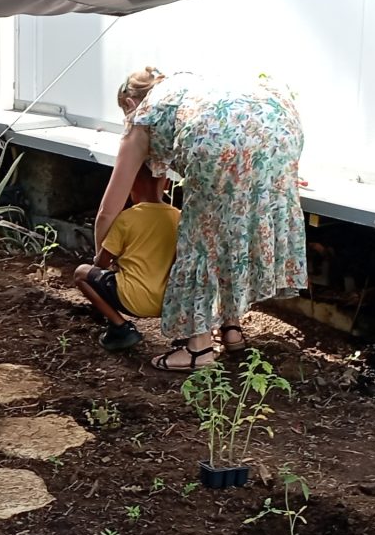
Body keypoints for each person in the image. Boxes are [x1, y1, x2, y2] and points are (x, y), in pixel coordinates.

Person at [95, 66, 308, 372]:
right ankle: (231, 330)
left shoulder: (141, 117)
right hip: (279, 125)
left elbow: (108, 209)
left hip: (218, 138)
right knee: (231, 231)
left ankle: (198, 350)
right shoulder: (188, 87)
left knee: (201, 241)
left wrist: (101, 256)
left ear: (129, 104)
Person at [73, 167, 180, 353]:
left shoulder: (127, 218)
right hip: (170, 302)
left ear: (130, 184)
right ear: (167, 183)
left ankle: (121, 328)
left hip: (131, 299)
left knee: (81, 273)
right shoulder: (179, 217)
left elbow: (102, 263)